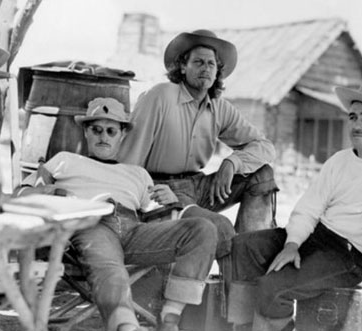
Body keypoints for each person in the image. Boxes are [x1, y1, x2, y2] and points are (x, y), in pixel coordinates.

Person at [226, 74, 362, 331]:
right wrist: (292, 244)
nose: (357, 125)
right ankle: (248, 326)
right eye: (353, 117)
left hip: (350, 255)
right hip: (315, 238)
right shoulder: (338, 161)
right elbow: (309, 208)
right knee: (242, 246)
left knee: (273, 288)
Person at [19, 97, 218, 331]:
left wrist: (170, 202)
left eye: (111, 131)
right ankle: (125, 325)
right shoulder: (64, 160)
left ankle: (170, 317)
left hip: (135, 230)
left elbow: (157, 216)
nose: (104, 137)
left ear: (122, 134)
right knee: (111, 267)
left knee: (202, 229)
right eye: (97, 130)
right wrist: (51, 191)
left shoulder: (138, 173)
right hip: (91, 224)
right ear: (86, 131)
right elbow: (23, 195)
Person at [119, 29, 279, 260]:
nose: (206, 68)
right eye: (198, 62)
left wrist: (233, 162)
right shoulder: (160, 96)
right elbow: (129, 160)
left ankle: (251, 260)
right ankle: (236, 279)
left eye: (211, 64)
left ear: (217, 73)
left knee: (262, 175)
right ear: (182, 67)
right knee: (220, 229)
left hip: (200, 187)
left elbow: (264, 146)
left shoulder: (220, 107)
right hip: (160, 188)